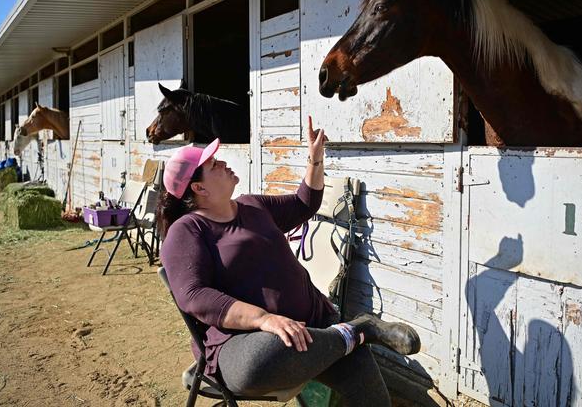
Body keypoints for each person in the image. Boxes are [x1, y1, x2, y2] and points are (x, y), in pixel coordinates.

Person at [158, 116, 421, 406]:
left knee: (373, 399)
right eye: (213, 165)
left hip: (318, 326)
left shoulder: (251, 205)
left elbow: (304, 204)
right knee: (264, 358)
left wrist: (314, 158)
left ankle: (347, 335)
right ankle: (361, 330)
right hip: (244, 344)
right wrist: (264, 320)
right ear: (199, 189)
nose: (222, 163)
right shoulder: (188, 230)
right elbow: (194, 296)